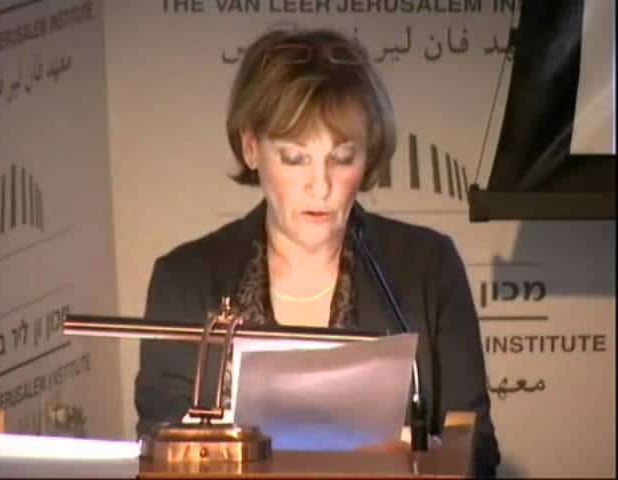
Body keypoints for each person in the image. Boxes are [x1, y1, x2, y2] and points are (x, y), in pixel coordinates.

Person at [135, 27, 500, 477]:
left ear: (368, 156)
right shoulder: (185, 280)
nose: (320, 185)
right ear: (251, 148)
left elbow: (479, 452)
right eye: (295, 158)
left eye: (342, 158)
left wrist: (426, 457)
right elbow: (158, 452)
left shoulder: (428, 266)